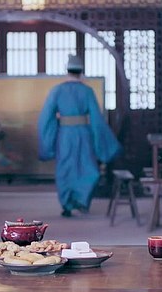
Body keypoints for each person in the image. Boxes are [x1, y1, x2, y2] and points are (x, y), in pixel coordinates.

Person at [38, 54, 121, 217]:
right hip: (84, 133)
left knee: (65, 168)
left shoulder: (57, 90)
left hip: (65, 135)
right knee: (87, 167)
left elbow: (46, 117)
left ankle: (67, 205)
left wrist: (49, 137)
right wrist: (102, 140)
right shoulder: (87, 91)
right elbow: (97, 118)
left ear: (67, 71)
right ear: (81, 72)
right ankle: (82, 201)